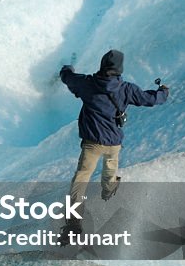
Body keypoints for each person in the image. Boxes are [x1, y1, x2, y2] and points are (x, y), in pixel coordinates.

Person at [60, 50, 168, 216]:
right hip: (113, 143)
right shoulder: (126, 89)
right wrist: (163, 91)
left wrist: (66, 69)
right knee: (110, 169)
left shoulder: (87, 83)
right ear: (120, 69)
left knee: (82, 176)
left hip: (92, 143)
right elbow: (151, 99)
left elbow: (68, 78)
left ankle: (73, 215)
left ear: (102, 64)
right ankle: (108, 193)